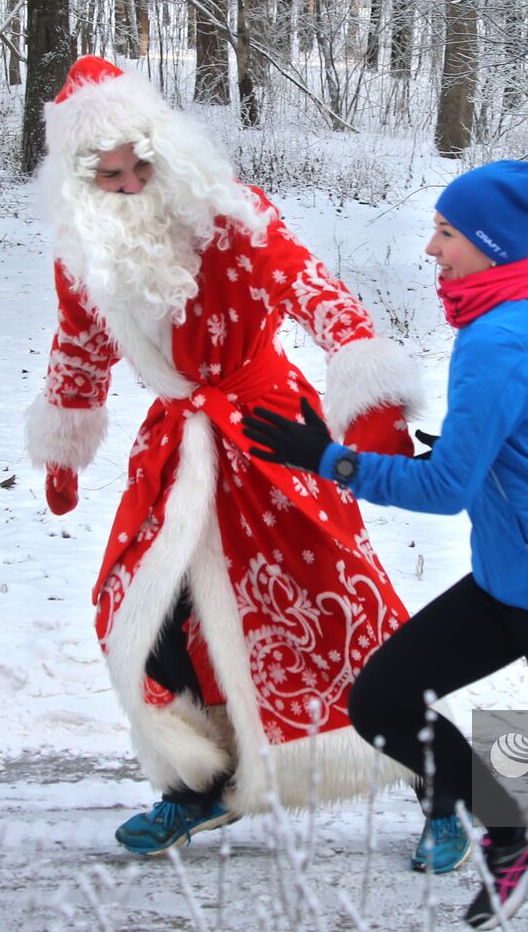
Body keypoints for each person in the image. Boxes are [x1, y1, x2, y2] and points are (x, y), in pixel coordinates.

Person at [242, 160, 528, 930]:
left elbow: (447, 491)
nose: (431, 249)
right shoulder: (505, 325)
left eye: (446, 233)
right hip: (507, 588)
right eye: (435, 228)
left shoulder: (499, 341)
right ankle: (513, 827)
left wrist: (328, 460)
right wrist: (476, 443)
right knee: (384, 699)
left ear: (490, 246)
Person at [25, 56, 470, 866]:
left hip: (270, 436)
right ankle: (201, 784)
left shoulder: (232, 212)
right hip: (177, 449)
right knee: (149, 613)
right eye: (109, 176)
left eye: (139, 166)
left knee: (342, 611)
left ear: (165, 148)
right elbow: (80, 343)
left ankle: (440, 791)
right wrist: (65, 439)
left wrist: (366, 396)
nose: (128, 186)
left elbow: (315, 290)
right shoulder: (83, 251)